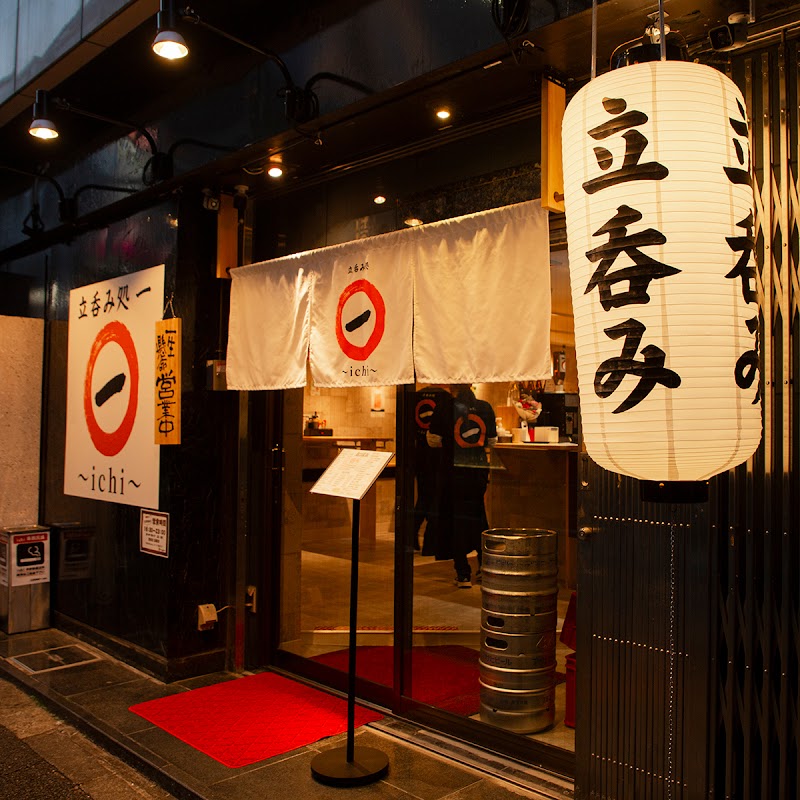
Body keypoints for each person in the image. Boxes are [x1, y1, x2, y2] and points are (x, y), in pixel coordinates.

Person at [424, 384, 497, 587]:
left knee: (455, 520)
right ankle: (484, 567)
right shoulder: (485, 407)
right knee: (479, 517)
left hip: (452, 472)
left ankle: (463, 572)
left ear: (452, 386)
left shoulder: (444, 407)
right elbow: (492, 441)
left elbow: (433, 440)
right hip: (478, 471)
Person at [411, 384, 450, 551]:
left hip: (418, 453)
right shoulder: (446, 398)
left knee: (423, 496)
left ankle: (412, 534)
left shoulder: (414, 396)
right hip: (438, 455)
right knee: (436, 498)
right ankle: (429, 541)